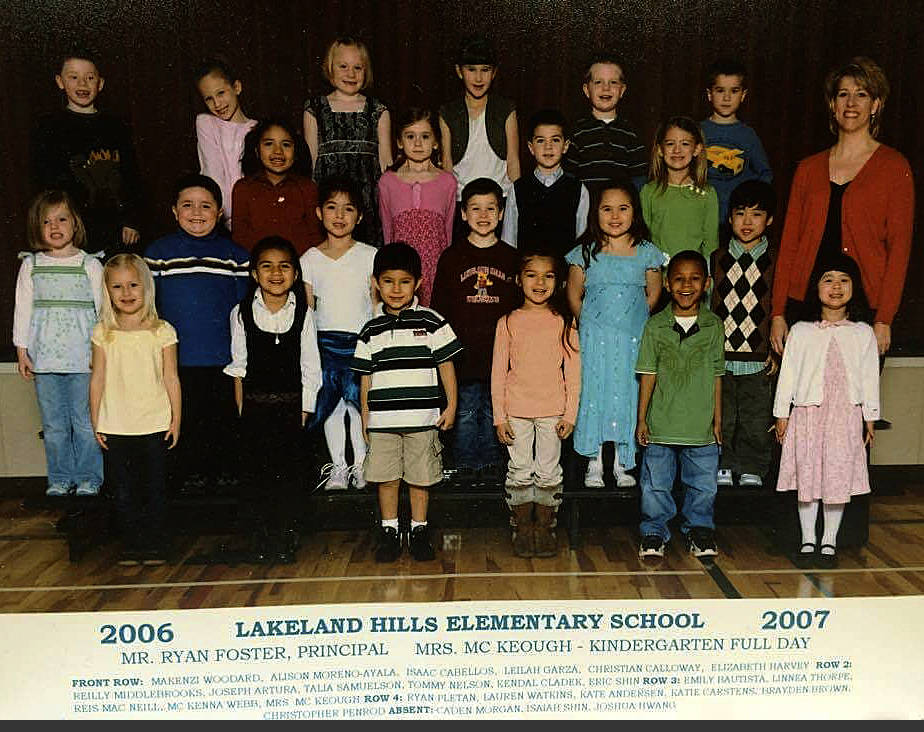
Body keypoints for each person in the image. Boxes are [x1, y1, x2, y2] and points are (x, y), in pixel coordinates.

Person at [770, 57, 915, 360]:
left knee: (853, 406)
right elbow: (788, 246)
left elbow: (899, 250)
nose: (851, 102)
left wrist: (884, 318)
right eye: (843, 94)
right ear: (832, 104)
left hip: (866, 306)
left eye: (861, 94)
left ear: (876, 104)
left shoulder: (894, 167)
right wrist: (778, 313)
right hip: (805, 302)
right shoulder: (808, 169)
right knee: (801, 404)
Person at [352, 242, 462, 563]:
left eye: (404, 281)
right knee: (386, 479)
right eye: (388, 281)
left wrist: (451, 405)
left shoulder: (432, 322)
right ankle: (389, 530)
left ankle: (418, 530)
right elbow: (365, 379)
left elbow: (446, 366)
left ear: (418, 282)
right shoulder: (370, 330)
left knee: (420, 478)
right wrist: (365, 417)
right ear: (375, 283)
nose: (396, 289)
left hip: (423, 421)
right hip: (384, 423)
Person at [144, 174, 250, 491]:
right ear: (174, 211)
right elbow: (150, 307)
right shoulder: (158, 254)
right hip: (177, 360)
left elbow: (244, 308)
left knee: (221, 418)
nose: (196, 212)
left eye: (206, 206)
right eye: (187, 205)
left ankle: (224, 475)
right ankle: (190, 474)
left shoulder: (236, 256)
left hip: (223, 356)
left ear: (219, 212)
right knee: (184, 418)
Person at [773, 253, 879, 568]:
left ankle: (829, 540)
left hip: (844, 416)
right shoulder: (802, 331)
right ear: (815, 287)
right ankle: (808, 539)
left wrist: (869, 416)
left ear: (855, 288)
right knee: (808, 476)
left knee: (836, 476)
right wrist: (782, 413)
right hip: (807, 415)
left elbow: (870, 377)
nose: (836, 287)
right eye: (828, 279)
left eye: (844, 280)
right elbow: (788, 373)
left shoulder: (862, 333)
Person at [225, 237, 322, 562]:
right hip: (255, 410)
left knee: (288, 477)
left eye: (284, 266)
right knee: (258, 476)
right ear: (254, 273)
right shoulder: (240, 313)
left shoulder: (304, 314)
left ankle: (286, 535)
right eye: (267, 266)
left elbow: (311, 366)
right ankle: (261, 538)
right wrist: (242, 411)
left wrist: (305, 409)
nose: (276, 273)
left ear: (295, 274)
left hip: (291, 410)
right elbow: (239, 367)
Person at [566, 182, 662, 488]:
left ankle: (623, 463)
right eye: (607, 209)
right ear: (596, 213)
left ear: (635, 211)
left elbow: (653, 294)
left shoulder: (647, 252)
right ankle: (594, 462)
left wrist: (629, 324)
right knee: (594, 395)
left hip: (632, 341)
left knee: (627, 396)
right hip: (595, 341)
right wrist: (592, 324)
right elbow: (573, 294)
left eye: (623, 208)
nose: (615, 216)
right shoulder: (585, 251)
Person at [89, 254, 180, 566]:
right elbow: (97, 378)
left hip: (154, 423)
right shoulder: (103, 332)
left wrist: (175, 420)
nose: (126, 293)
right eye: (117, 286)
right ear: (107, 291)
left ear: (146, 288)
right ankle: (132, 543)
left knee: (155, 487)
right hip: (116, 424)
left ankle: (155, 543)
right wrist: (96, 419)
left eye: (133, 285)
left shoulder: (162, 331)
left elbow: (171, 377)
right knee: (124, 490)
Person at [13, 190, 104, 497]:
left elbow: (104, 312)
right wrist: (22, 350)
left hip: (84, 360)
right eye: (46, 221)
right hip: (46, 361)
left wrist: (103, 353)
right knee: (53, 427)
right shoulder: (31, 265)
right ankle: (60, 478)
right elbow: (22, 309)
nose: (54, 226)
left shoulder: (89, 265)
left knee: (84, 423)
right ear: (36, 228)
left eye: (61, 218)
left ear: (74, 223)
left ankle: (90, 477)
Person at [636, 251, 725, 559]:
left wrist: (717, 421)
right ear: (667, 283)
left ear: (707, 284)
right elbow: (647, 375)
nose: (687, 285)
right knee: (655, 485)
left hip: (699, 425)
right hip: (662, 422)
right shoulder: (655, 327)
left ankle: (700, 530)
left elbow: (716, 376)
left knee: (703, 485)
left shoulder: (714, 326)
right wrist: (642, 419)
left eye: (695, 279)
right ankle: (653, 532)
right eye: (679, 278)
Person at [492, 251, 580, 558]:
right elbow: (498, 372)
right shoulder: (507, 322)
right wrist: (499, 417)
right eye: (532, 275)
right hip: (516, 410)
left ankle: (544, 526)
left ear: (558, 283)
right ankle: (522, 526)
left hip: (552, 411)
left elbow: (573, 373)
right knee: (519, 470)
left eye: (548, 276)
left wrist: (569, 414)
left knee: (547, 471)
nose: (540, 282)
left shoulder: (564, 322)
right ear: (518, 280)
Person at [431, 178, 520, 482]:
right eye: (475, 209)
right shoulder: (452, 257)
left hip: (501, 355)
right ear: (463, 214)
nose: (483, 215)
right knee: (467, 410)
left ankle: (494, 467)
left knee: (496, 410)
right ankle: (467, 467)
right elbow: (439, 309)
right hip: (463, 354)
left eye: (491, 208)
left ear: (502, 212)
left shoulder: (512, 258)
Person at [301, 179, 377, 491]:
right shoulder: (309, 259)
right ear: (319, 213)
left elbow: (376, 304)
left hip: (360, 342)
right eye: (332, 208)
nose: (339, 215)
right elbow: (307, 310)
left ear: (359, 216)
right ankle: (338, 467)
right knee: (332, 405)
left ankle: (361, 464)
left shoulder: (371, 255)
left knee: (357, 403)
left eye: (348, 209)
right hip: (325, 342)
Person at [31, 49, 142, 254]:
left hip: (114, 228)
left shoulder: (116, 127)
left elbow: (131, 175)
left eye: (89, 78)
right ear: (60, 81)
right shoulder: (49, 127)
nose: (82, 84)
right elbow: (44, 181)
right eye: (74, 77)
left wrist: (131, 220)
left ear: (100, 83)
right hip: (71, 228)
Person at [710, 180, 777, 489]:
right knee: (723, 416)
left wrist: (776, 353)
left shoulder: (776, 262)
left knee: (754, 417)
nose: (747, 222)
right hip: (721, 356)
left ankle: (752, 466)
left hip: (758, 358)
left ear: (770, 220)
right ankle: (722, 463)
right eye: (740, 214)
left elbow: (778, 313)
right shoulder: (717, 259)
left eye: (756, 214)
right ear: (730, 218)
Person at [303, 37, 391, 246]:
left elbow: (386, 163)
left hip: (368, 203)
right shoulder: (314, 108)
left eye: (358, 67)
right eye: (343, 66)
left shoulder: (378, 110)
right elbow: (311, 163)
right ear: (330, 68)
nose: (351, 74)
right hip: (329, 200)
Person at [439, 34, 520, 230]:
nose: (478, 77)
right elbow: (447, 164)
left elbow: (513, 160)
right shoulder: (448, 112)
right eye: (471, 69)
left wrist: (518, 204)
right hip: (463, 203)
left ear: (494, 73)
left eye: (485, 70)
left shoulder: (505, 109)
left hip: (500, 201)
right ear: (459, 71)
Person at [378, 107, 457, 305]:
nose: (418, 143)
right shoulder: (387, 181)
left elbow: (447, 234)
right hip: (401, 272)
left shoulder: (447, 182)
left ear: (436, 142)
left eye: (425, 136)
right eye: (410, 136)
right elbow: (388, 232)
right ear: (399, 142)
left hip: (435, 271)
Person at [501, 109, 590, 257]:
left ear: (566, 146)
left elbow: (582, 242)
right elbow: (509, 240)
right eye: (541, 140)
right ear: (531, 147)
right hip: (527, 274)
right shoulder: (518, 189)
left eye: (555, 140)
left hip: (564, 274)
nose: (548, 147)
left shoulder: (578, 189)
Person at [232, 118, 323, 254]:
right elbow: (239, 239)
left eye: (286, 145)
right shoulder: (243, 188)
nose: (278, 151)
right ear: (257, 150)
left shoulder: (307, 188)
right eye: (269, 144)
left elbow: (316, 239)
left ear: (296, 151)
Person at [700, 58, 773, 226]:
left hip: (737, 221)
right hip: (702, 216)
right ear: (710, 94)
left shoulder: (748, 135)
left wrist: (751, 203)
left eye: (734, 91)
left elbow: (765, 174)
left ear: (743, 95)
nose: (726, 97)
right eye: (720, 90)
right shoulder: (697, 132)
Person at [562, 54, 648, 193]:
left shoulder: (631, 133)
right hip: (586, 211)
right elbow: (568, 178)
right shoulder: (576, 132)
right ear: (586, 90)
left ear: (622, 90)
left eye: (613, 82)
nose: (606, 88)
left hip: (619, 212)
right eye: (598, 82)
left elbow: (639, 180)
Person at [641, 116, 719, 265]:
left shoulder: (707, 194)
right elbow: (643, 242)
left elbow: (711, 245)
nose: (677, 150)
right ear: (660, 150)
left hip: (694, 278)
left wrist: (708, 279)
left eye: (685, 144)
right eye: (670, 144)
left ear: (696, 149)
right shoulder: (649, 191)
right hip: (658, 276)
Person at [194, 58, 257, 229]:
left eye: (221, 93)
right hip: (220, 218)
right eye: (209, 99)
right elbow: (213, 172)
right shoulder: (206, 123)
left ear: (237, 87)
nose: (217, 104)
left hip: (253, 219)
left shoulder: (257, 129)